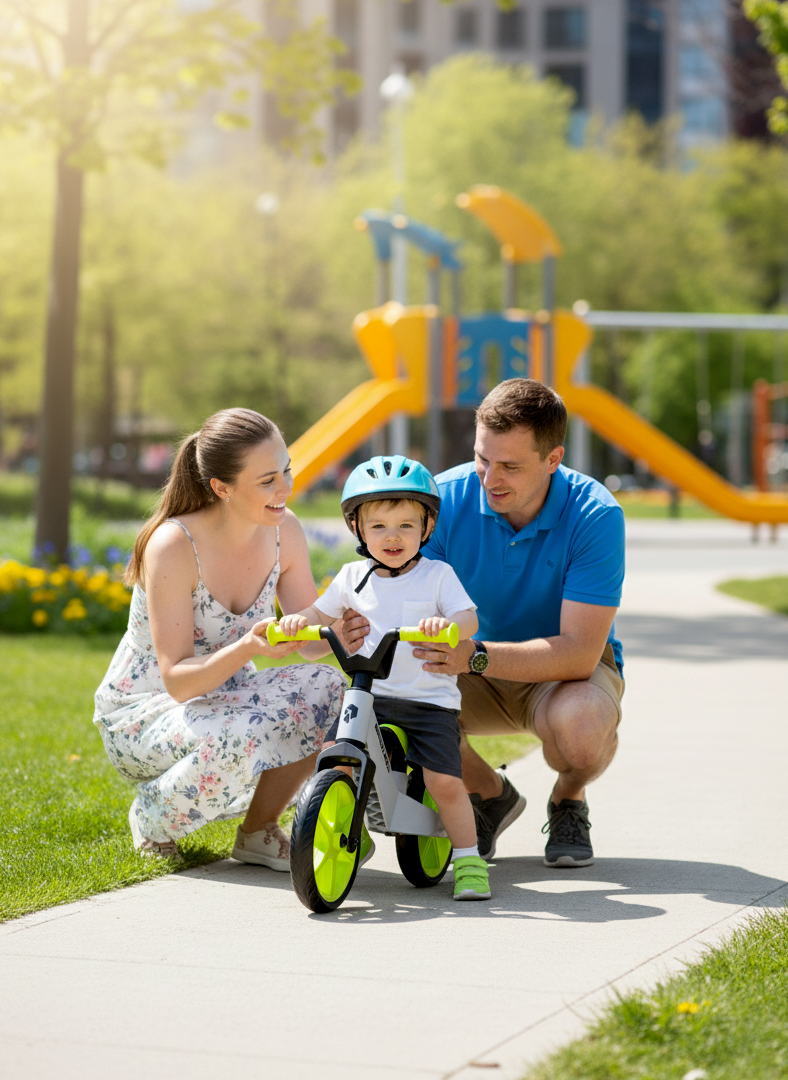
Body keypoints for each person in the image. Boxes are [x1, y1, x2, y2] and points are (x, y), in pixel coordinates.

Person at [93, 408, 359, 866]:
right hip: (145, 712)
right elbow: (177, 681)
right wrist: (249, 647)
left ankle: (257, 831)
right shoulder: (173, 545)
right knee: (242, 733)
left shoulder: (285, 531)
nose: (285, 488)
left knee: (329, 690)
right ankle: (153, 816)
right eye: (267, 480)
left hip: (225, 699)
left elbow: (313, 644)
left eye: (287, 470)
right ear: (222, 487)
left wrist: (339, 630)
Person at [414, 378, 625, 868]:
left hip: (561, 677)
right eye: (482, 459)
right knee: (397, 699)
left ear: (553, 459)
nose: (490, 479)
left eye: (510, 466)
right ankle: (491, 794)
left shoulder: (595, 514)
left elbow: (579, 653)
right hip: (468, 670)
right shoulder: (439, 502)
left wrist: (475, 655)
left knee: (583, 726)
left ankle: (568, 797)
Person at [278, 456, 492, 901]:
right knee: (335, 760)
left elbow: (468, 618)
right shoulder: (351, 578)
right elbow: (317, 619)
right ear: (357, 528)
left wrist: (447, 626)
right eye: (378, 526)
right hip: (369, 696)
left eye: (405, 526)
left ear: (427, 527)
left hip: (428, 702)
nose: (392, 537)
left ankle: (469, 860)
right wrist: (298, 623)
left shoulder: (437, 576)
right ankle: (350, 826)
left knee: (443, 783)